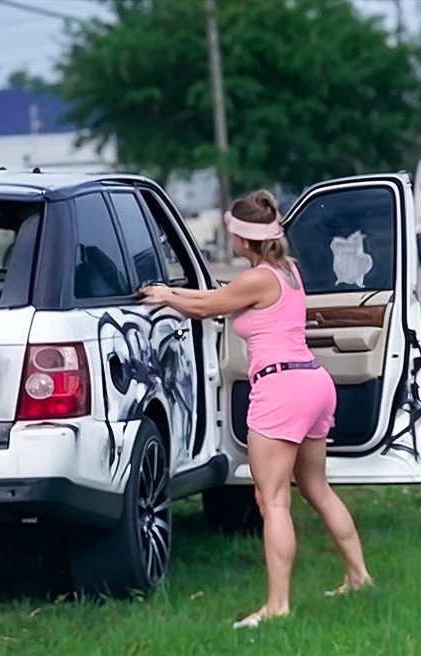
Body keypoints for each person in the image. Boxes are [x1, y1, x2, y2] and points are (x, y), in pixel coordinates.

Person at [137, 189, 373, 628]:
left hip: (281, 388)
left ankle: (277, 606)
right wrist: (174, 296)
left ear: (243, 238)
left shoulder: (259, 279)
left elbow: (207, 307)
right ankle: (358, 576)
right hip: (313, 381)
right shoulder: (290, 271)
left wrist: (166, 294)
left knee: (272, 500)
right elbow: (215, 303)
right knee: (316, 487)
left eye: (233, 234)